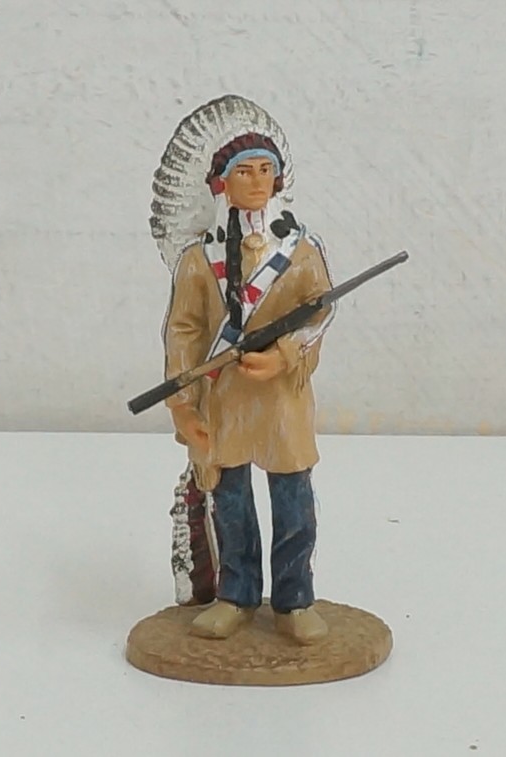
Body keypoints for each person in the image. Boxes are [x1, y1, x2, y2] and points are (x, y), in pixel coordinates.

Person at [151, 96, 335, 644]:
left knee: (293, 503)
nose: (257, 182)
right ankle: (236, 594)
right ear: (222, 183)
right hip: (224, 401)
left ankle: (294, 600)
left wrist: (284, 356)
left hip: (281, 400)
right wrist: (182, 405)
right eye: (244, 171)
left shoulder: (302, 252)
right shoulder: (198, 259)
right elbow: (184, 330)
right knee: (230, 504)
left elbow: (320, 314)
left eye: (265, 170)